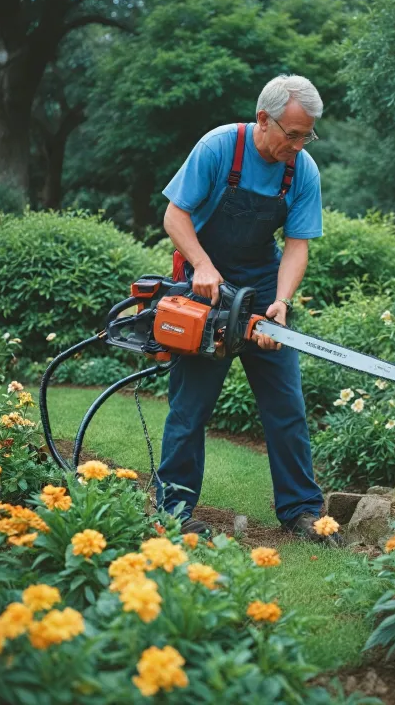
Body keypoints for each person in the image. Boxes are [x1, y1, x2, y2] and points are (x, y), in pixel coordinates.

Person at [158, 74, 334, 543]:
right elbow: (175, 215)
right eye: (291, 134)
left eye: (306, 136)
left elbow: (297, 245)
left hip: (262, 287)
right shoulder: (219, 147)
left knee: (286, 405)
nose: (297, 145)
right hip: (207, 286)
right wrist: (201, 265)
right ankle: (174, 511)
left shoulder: (302, 170)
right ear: (264, 119)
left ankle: (301, 510)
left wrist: (281, 302)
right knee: (190, 407)